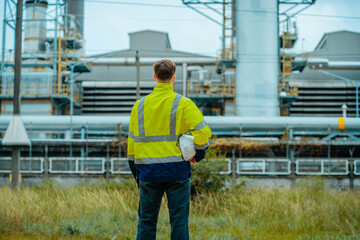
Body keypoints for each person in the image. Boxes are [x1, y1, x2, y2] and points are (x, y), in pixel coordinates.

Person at [127, 59, 211, 240]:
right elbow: (203, 131)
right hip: (177, 171)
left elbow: (131, 144)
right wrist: (199, 153)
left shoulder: (139, 106)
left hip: (148, 172)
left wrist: (136, 172)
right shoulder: (184, 104)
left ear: (154, 77)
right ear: (173, 78)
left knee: (146, 222)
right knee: (179, 222)